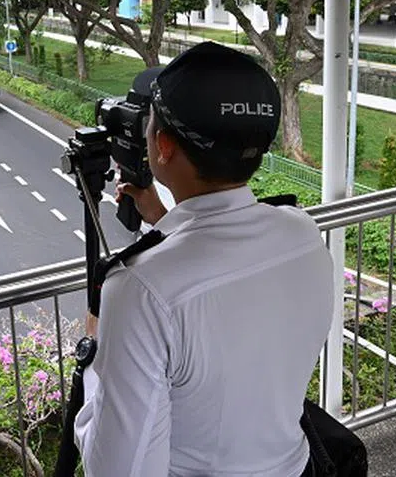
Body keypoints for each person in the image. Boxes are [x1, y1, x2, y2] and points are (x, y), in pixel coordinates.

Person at [73, 42, 335, 477]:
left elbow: (117, 470)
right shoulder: (302, 233)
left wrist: (95, 350)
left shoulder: (140, 291)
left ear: (163, 145)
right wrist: (165, 221)